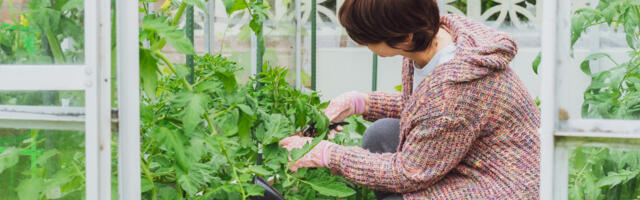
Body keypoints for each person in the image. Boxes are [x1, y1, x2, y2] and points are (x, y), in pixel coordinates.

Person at [279, 0, 541, 199]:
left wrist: (328, 155)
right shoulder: (434, 38)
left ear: (405, 37)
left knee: (396, 193)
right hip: (470, 155)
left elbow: (408, 173)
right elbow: (423, 108)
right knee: (382, 134)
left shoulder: (454, 91)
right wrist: (362, 102)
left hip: (502, 185)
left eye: (369, 39)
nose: (364, 45)